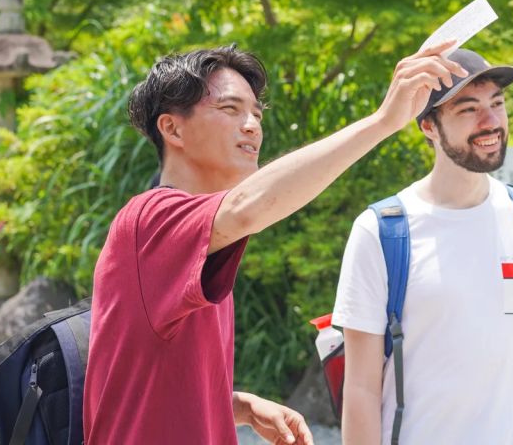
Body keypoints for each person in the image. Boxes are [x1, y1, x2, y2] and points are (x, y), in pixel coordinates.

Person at [83, 42, 465, 445]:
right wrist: (383, 121)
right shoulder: (153, 218)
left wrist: (238, 405)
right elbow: (249, 206)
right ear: (172, 128)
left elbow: (149, 383)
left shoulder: (196, 242)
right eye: (230, 109)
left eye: (256, 114)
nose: (251, 125)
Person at [332, 49, 513, 445]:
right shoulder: (382, 232)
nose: (491, 122)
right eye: (468, 109)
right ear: (429, 126)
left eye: (497, 104)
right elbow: (362, 387)